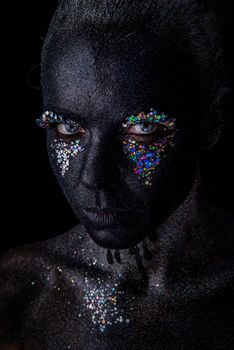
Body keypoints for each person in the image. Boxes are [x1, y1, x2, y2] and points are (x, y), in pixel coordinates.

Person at [0, 0, 233, 349]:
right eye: (67, 127)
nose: (93, 177)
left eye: (141, 129)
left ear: (211, 122)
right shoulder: (17, 294)